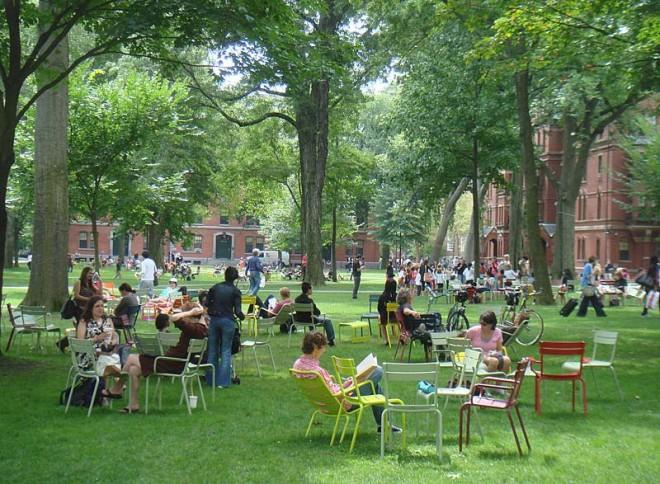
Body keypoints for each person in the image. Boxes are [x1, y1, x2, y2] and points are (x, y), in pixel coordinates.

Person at [105, 304, 208, 412]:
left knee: (131, 357)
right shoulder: (201, 329)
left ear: (191, 316)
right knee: (133, 370)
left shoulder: (193, 328)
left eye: (185, 315)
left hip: (171, 364)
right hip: (174, 362)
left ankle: (117, 388)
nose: (183, 317)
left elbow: (173, 318)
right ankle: (133, 404)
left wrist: (191, 312)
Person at [292, 331, 400, 433]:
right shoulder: (317, 372)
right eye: (323, 347)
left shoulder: (298, 365)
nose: (324, 350)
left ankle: (384, 425)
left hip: (323, 404)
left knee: (374, 386)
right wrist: (354, 384)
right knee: (378, 371)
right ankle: (385, 425)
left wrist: (348, 382)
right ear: (316, 348)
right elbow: (337, 395)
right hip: (344, 403)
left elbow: (330, 390)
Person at [206, 266, 244, 388]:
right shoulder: (236, 291)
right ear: (235, 277)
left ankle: (210, 380)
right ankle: (223, 382)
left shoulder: (215, 287)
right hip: (228, 321)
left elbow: (206, 303)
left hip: (214, 320)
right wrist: (242, 317)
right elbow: (238, 311)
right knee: (226, 350)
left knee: (212, 350)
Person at [76, 295, 121, 386]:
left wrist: (114, 340)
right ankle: (119, 378)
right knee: (107, 359)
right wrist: (96, 338)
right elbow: (80, 343)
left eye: (102, 306)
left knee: (115, 353)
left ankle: (104, 390)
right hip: (89, 355)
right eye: (97, 306)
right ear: (90, 308)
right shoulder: (84, 321)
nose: (100, 308)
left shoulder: (107, 320)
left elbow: (114, 335)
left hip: (106, 352)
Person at [294, 282, 336, 346]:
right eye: (311, 289)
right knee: (327, 321)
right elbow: (317, 312)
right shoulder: (309, 300)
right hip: (310, 320)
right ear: (308, 290)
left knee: (311, 318)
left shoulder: (297, 299)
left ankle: (313, 340)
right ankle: (331, 340)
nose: (312, 290)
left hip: (299, 320)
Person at [377, 279, 397, 343]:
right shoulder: (397, 296)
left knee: (382, 320)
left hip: (386, 319)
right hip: (397, 318)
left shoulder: (382, 297)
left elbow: (379, 308)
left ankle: (386, 340)